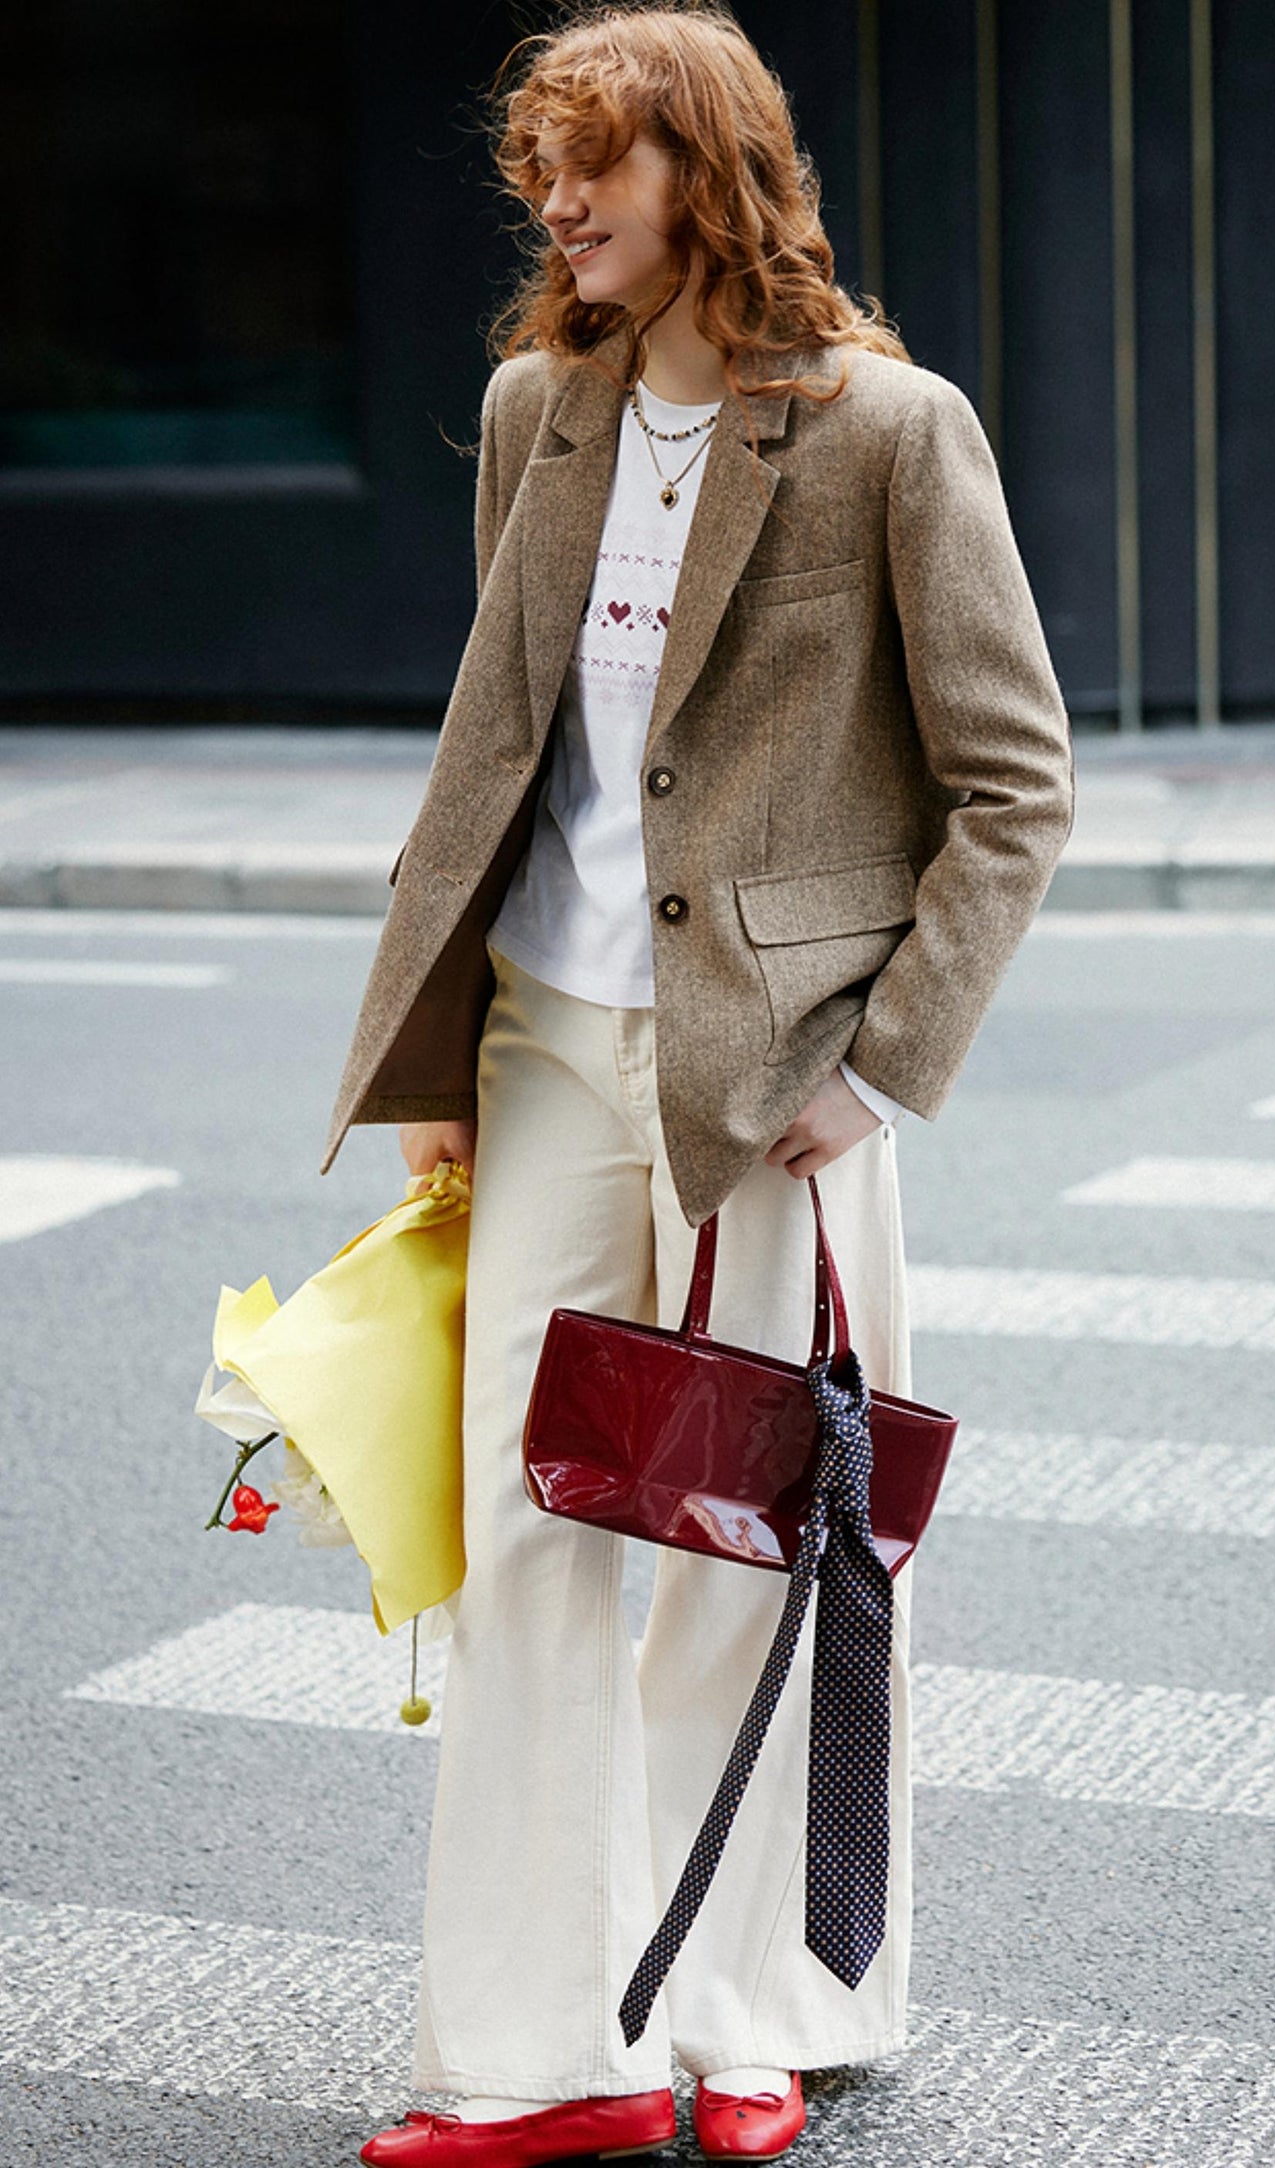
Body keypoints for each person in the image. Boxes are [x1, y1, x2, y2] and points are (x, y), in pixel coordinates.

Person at [323, 6, 1073, 2161]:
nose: (557, 198)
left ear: (708, 174)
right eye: (542, 163)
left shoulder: (886, 431)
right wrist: (449, 1054)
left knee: (756, 1545)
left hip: (775, 1081)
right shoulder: (524, 414)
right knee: (518, 1536)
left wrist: (887, 1072)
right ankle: (544, 2052)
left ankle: (747, 2020)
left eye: (601, 161)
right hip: (555, 1045)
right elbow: (506, 756)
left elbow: (1014, 787)